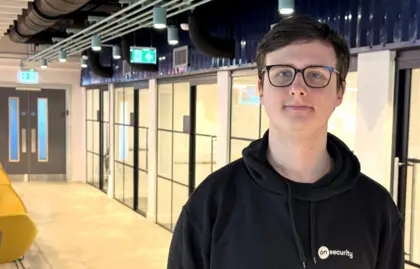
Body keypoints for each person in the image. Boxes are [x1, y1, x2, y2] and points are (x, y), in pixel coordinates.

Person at [167, 14, 404, 269]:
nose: (297, 88)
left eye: (316, 75)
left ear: (340, 91)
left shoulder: (376, 208)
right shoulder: (211, 204)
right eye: (282, 74)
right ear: (261, 89)